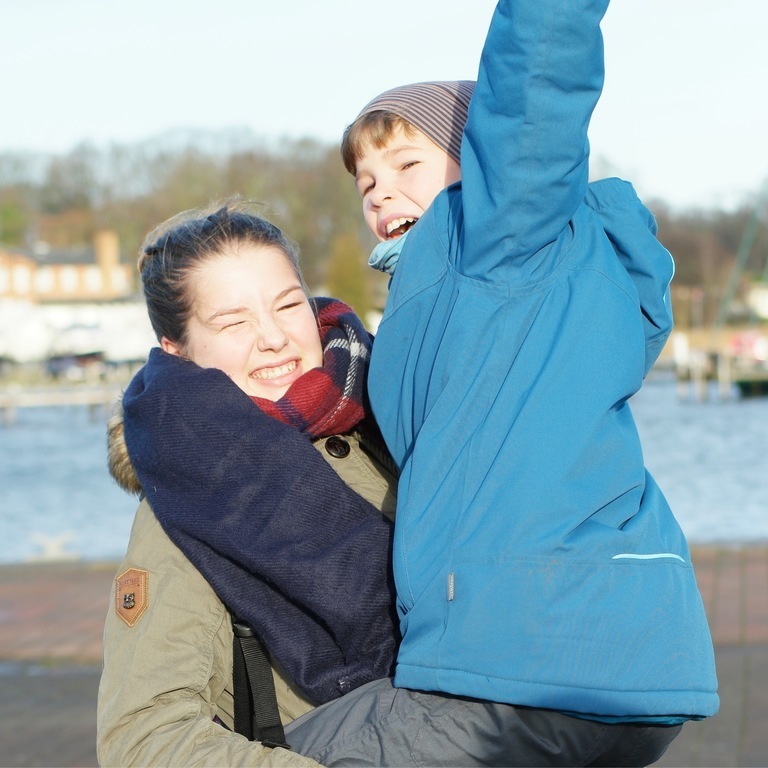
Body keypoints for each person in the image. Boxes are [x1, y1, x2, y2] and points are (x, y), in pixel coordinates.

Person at [339, 0, 718, 753]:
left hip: (544, 655)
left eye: (408, 162)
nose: (380, 190)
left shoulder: (500, 241)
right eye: (366, 182)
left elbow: (535, 77)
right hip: (583, 651)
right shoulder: (458, 298)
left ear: (483, 164)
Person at [97, 201, 402, 766]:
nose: (274, 338)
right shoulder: (190, 498)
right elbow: (144, 738)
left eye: (288, 306)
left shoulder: (399, 411)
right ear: (177, 350)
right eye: (234, 322)